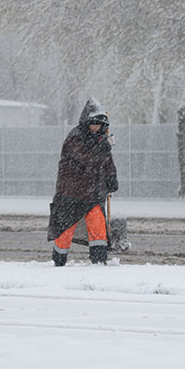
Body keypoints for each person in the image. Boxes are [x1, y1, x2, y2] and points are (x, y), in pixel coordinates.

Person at [48, 98, 119, 266]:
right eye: (93, 123)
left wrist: (111, 180)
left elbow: (107, 164)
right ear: (86, 122)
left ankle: (99, 261)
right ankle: (58, 262)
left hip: (93, 193)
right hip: (71, 193)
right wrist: (103, 147)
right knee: (65, 229)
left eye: (99, 124)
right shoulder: (75, 138)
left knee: (98, 227)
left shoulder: (102, 140)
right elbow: (86, 159)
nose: (96, 127)